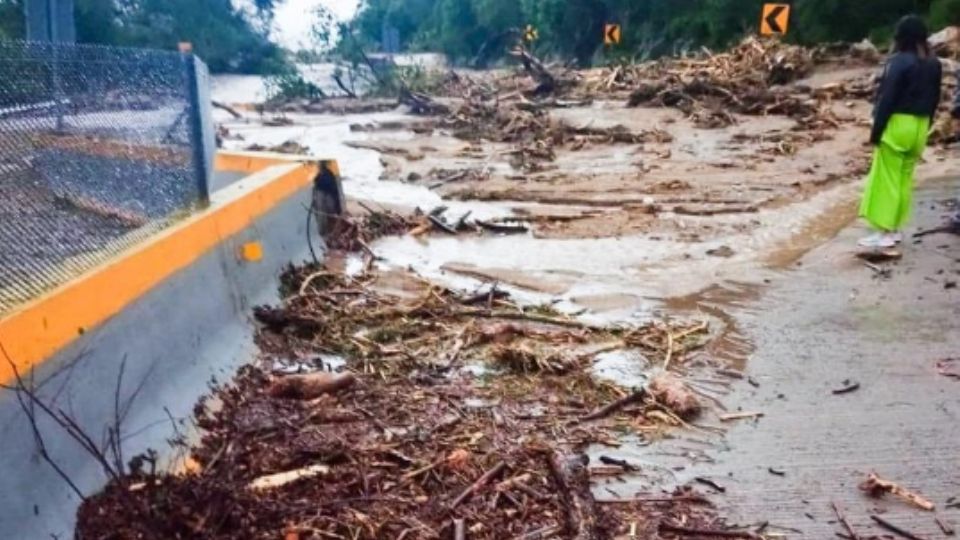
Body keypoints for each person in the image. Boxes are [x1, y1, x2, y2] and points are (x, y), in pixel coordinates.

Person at [858, 15, 943, 248]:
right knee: (904, 179)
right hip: (920, 125)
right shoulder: (934, 63)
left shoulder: (898, 62)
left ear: (900, 37)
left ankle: (884, 232)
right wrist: (927, 125)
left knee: (888, 179)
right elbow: (935, 98)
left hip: (897, 124)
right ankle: (895, 229)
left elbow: (887, 99)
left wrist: (876, 132)